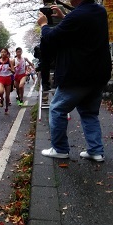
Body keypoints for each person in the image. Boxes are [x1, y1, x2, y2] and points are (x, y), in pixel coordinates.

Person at [38, 0, 111, 162]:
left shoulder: (77, 16)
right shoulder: (99, 11)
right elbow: (79, 29)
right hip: (98, 74)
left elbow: (51, 37)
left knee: (57, 109)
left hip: (77, 74)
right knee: (89, 113)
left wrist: (43, 25)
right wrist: (64, 17)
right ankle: (95, 151)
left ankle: (60, 149)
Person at [0, 48, 15, 114]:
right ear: (0, 53)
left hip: (8, 79)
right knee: (0, 92)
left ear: (7, 53)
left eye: (4, 52)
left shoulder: (10, 61)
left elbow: (13, 71)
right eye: (2, 52)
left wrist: (10, 70)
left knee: (7, 96)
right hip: (0, 78)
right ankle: (1, 99)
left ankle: (6, 108)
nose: (3, 53)